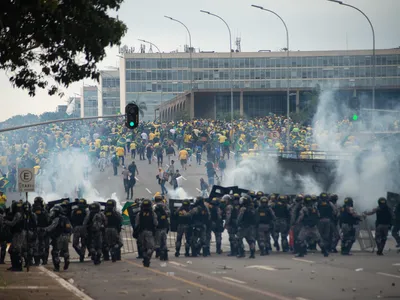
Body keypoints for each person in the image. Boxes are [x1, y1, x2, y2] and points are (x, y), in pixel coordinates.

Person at [44, 205, 72, 272]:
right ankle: (67, 260)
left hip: (58, 237)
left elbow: (51, 227)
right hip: (66, 236)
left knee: (55, 252)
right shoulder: (66, 218)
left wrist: (44, 229)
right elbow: (70, 228)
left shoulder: (57, 219)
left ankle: (57, 267)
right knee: (65, 250)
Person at [134, 199, 158, 267]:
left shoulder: (139, 214)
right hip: (150, 232)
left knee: (143, 247)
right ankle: (147, 257)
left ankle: (145, 257)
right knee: (151, 247)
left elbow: (136, 224)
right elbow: (156, 223)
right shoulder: (153, 214)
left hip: (141, 233)